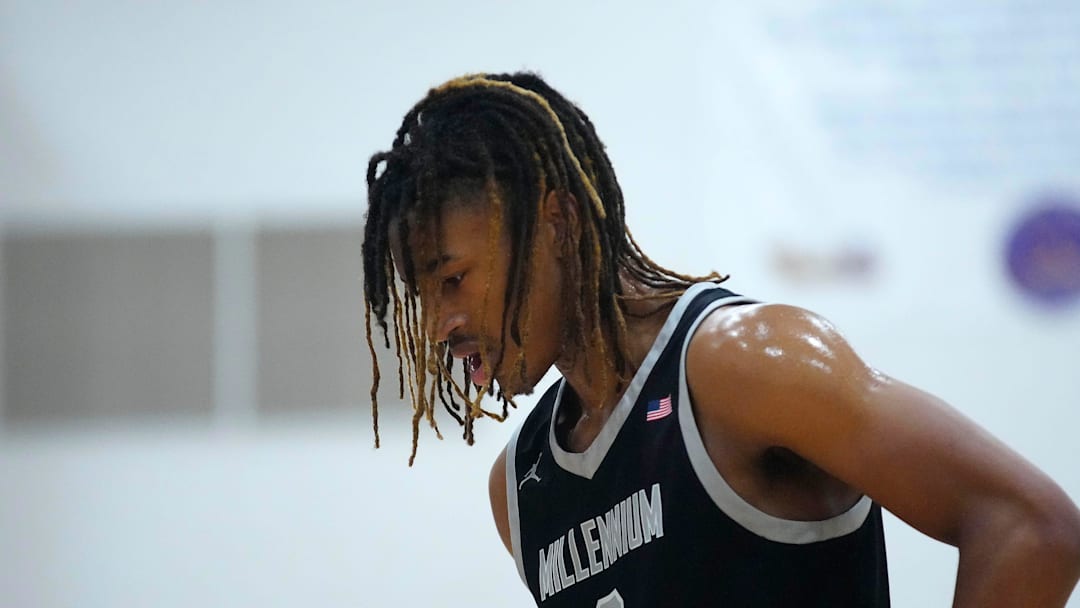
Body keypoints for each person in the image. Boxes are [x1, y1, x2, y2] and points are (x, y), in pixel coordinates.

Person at [361, 72, 1080, 606]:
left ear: (558, 222)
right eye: (420, 300)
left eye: (452, 279)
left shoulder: (742, 363)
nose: (437, 326)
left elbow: (1029, 527)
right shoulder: (520, 492)